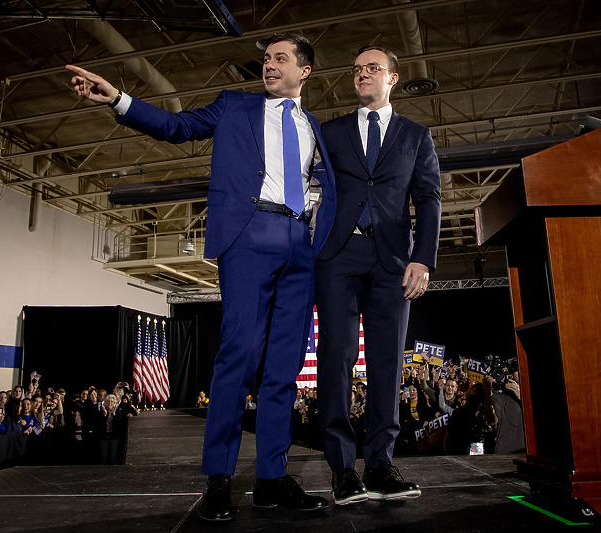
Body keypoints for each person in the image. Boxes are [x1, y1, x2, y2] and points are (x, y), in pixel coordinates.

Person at [68, 31, 335, 523]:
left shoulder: (315, 127)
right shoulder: (234, 107)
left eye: (281, 59)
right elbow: (175, 126)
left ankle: (272, 479)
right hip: (249, 235)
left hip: (301, 244)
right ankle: (219, 479)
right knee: (238, 354)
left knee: (284, 367)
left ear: (305, 71)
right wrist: (120, 101)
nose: (270, 65)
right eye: (267, 58)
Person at [315, 45, 441, 506]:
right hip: (337, 257)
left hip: (394, 262)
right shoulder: (329, 132)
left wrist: (423, 258)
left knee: (387, 361)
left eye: (372, 68)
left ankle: (382, 464)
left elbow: (428, 199)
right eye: (356, 70)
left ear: (393, 78)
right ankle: (343, 469)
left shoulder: (416, 135)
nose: (362, 75)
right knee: (336, 358)